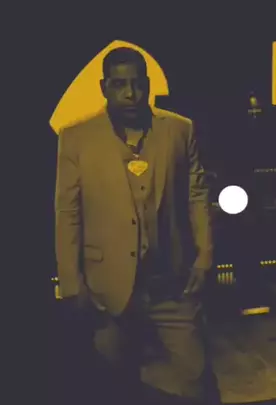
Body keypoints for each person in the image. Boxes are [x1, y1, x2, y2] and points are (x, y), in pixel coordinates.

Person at [54, 47, 215, 404]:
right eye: (119, 84)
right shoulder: (76, 138)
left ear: (148, 84)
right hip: (106, 288)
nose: (130, 93)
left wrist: (204, 256)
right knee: (113, 385)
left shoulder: (179, 129)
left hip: (171, 283)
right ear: (104, 87)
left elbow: (197, 196)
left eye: (138, 83)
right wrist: (71, 284)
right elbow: (67, 213)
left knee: (197, 379)